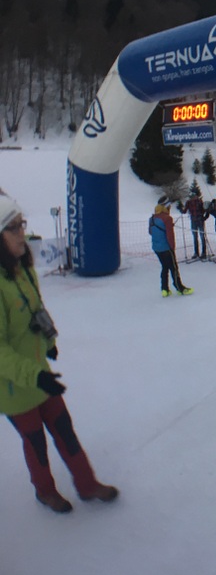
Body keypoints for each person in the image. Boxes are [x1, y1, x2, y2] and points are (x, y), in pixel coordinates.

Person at [0, 193, 119, 513]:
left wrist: (49, 338)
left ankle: (87, 484)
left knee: (64, 428)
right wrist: (35, 375)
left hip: (39, 370)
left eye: (22, 224)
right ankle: (45, 491)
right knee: (35, 441)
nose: (22, 233)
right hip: (13, 387)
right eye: (13, 228)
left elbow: (36, 307)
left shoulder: (22, 269)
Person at [149, 203, 192, 297]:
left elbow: (150, 232)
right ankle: (180, 288)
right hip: (166, 248)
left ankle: (164, 289)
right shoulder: (167, 218)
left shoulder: (151, 219)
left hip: (156, 248)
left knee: (164, 267)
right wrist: (172, 247)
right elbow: (170, 235)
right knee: (173, 268)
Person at [178, 189, 207, 260]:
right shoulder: (189, 202)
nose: (193, 198)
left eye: (194, 196)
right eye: (192, 197)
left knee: (202, 236)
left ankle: (203, 252)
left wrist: (203, 216)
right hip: (194, 220)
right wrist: (181, 209)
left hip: (199, 220)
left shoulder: (199, 201)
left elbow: (203, 210)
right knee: (195, 237)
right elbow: (185, 211)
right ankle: (196, 252)